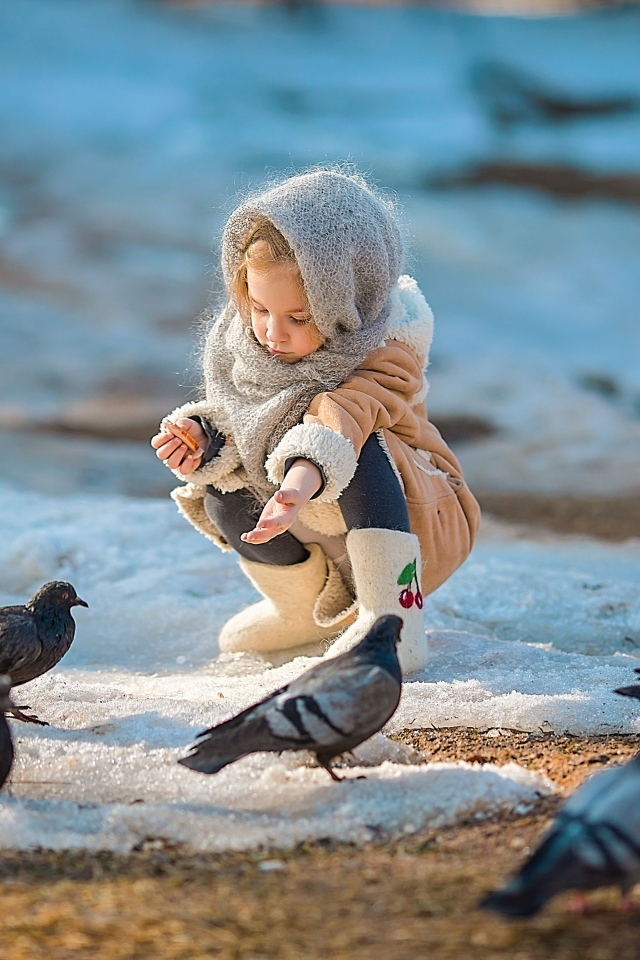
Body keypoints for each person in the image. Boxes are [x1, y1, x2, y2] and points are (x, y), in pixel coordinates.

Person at [151, 169, 480, 675]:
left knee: (360, 444)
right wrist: (204, 437)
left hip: (418, 514)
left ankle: (393, 623)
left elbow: (342, 418)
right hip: (313, 514)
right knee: (222, 484)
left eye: (298, 318)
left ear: (349, 298)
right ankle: (302, 611)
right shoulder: (244, 342)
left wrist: (300, 480)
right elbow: (245, 419)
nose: (271, 333)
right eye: (259, 308)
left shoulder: (387, 350)